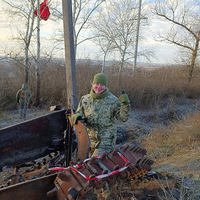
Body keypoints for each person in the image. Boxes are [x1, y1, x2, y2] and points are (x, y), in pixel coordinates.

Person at [71, 73, 130, 157]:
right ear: (93, 84)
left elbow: (123, 118)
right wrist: (78, 117)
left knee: (94, 163)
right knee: (87, 165)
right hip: (89, 140)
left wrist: (125, 105)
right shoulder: (85, 99)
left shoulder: (113, 100)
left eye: (102, 85)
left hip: (106, 139)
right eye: (97, 84)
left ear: (106, 86)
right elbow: (80, 115)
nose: (99, 87)